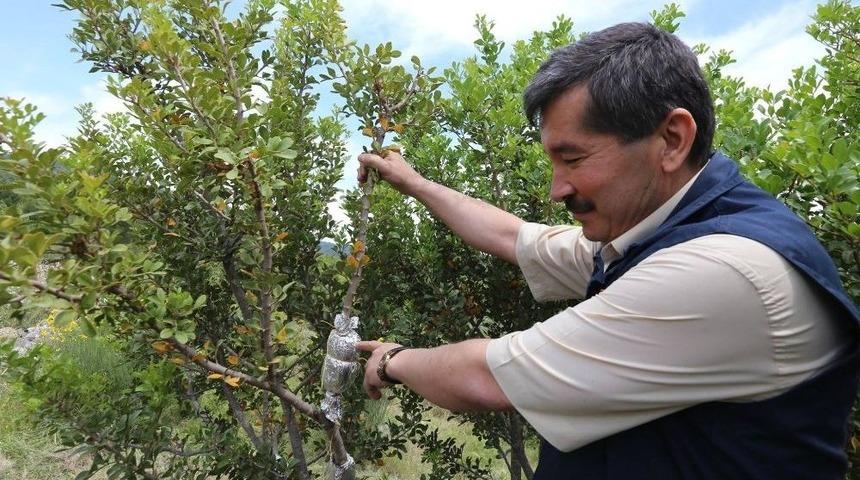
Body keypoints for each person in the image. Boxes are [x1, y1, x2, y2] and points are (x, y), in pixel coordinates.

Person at [355, 22, 860, 479]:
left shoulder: (726, 269)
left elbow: (485, 378)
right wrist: (413, 183)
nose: (557, 189)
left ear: (672, 140)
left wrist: (391, 361)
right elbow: (514, 237)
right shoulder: (656, 231)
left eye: (573, 158)